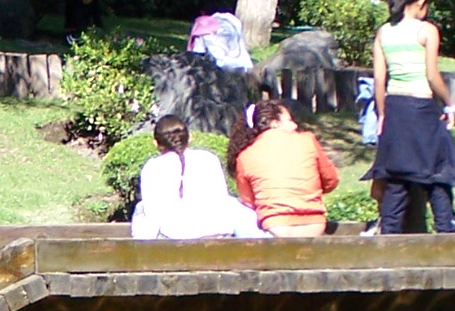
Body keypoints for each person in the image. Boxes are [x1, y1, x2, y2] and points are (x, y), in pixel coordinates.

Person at [367, 0, 455, 234]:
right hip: (422, 107)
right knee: (437, 171)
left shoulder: (384, 32)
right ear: (421, 2)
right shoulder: (427, 31)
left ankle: (389, 233)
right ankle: (445, 229)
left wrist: (382, 113)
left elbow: (380, 79)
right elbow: (432, 75)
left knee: (397, 175)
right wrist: (449, 104)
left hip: (395, 107)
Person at [131, 116, 266, 240]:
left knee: (141, 208)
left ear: (156, 143)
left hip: (172, 235)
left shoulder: (153, 166)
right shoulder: (208, 158)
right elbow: (221, 198)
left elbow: (153, 212)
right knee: (240, 208)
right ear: (190, 137)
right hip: (216, 231)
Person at [227, 95, 340, 237]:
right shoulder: (307, 140)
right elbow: (331, 180)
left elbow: (248, 202)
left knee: (234, 205)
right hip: (315, 226)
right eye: (289, 120)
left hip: (275, 229)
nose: (295, 125)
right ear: (275, 122)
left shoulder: (244, 156)